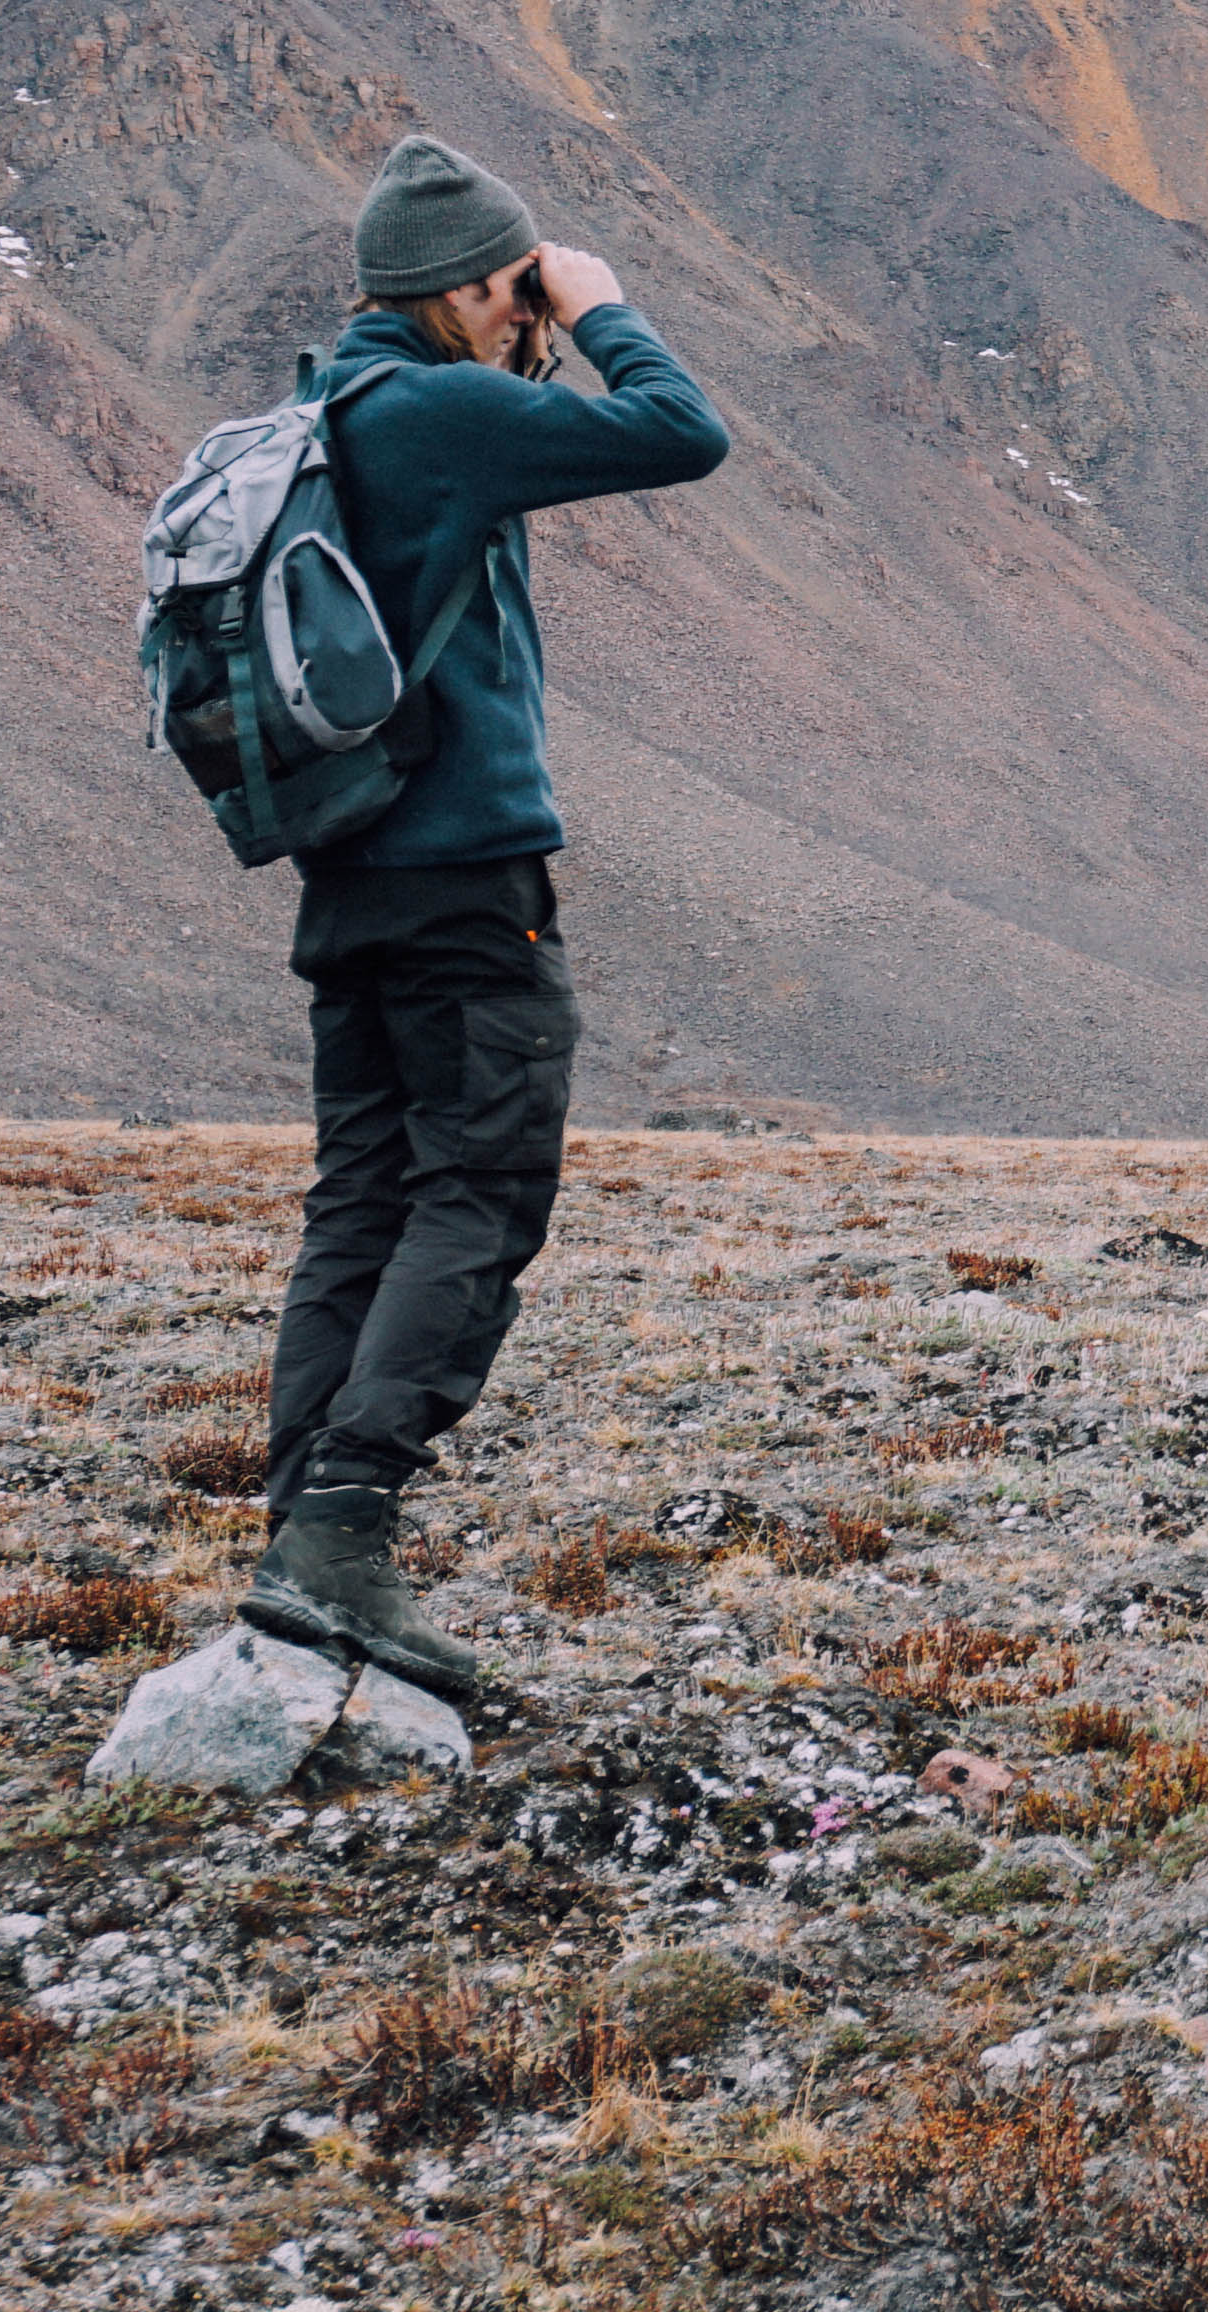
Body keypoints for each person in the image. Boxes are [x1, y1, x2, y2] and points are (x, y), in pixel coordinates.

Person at [237, 133, 730, 1704]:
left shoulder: (331, 412)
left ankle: (300, 1545)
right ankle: (343, 1529)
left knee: (363, 1196)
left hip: (354, 880)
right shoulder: (444, 410)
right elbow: (679, 433)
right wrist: (599, 306)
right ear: (464, 289)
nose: (529, 310)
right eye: (512, 288)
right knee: (479, 1190)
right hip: (465, 889)